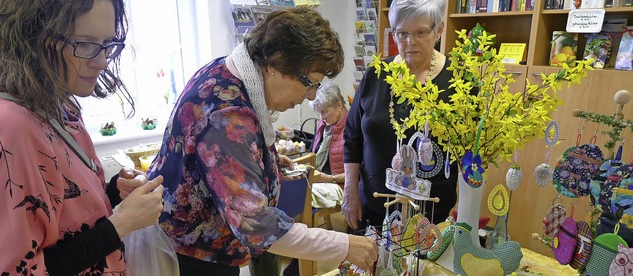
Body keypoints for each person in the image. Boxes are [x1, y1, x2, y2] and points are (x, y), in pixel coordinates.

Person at [139, 7, 377, 276]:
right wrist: (345, 245)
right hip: (195, 259)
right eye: (309, 83)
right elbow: (258, 226)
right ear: (275, 63)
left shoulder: (227, 72)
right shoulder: (228, 116)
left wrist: (265, 162)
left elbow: (224, 162)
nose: (310, 96)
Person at [0, 0, 164, 275]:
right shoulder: (10, 127)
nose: (102, 60)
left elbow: (64, 217)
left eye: (107, 43)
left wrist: (113, 193)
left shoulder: (61, 105)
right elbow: (17, 269)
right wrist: (120, 224)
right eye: (84, 44)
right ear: (32, 36)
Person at [343, 0, 458, 231]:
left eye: (421, 32)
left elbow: (470, 154)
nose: (410, 42)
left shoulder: (458, 80)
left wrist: (465, 210)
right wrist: (350, 192)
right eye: (402, 33)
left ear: (439, 30)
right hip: (373, 210)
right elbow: (352, 137)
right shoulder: (375, 74)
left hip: (432, 216)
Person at [283, 82, 349, 276]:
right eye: (319, 114)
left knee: (300, 197)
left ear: (339, 105)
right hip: (318, 176)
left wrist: (328, 178)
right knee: (285, 189)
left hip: (339, 182)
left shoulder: (353, 128)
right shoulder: (325, 125)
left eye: (325, 112)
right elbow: (315, 156)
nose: (322, 118)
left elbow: (357, 174)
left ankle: (298, 262)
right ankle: (296, 253)